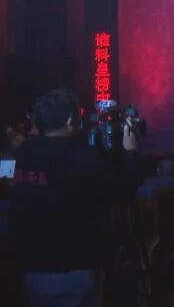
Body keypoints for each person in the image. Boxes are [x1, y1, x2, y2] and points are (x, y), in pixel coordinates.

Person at [12, 88, 142, 307]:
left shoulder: (21, 155)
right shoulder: (81, 157)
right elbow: (124, 192)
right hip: (74, 273)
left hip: (30, 274)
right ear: (71, 120)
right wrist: (130, 152)